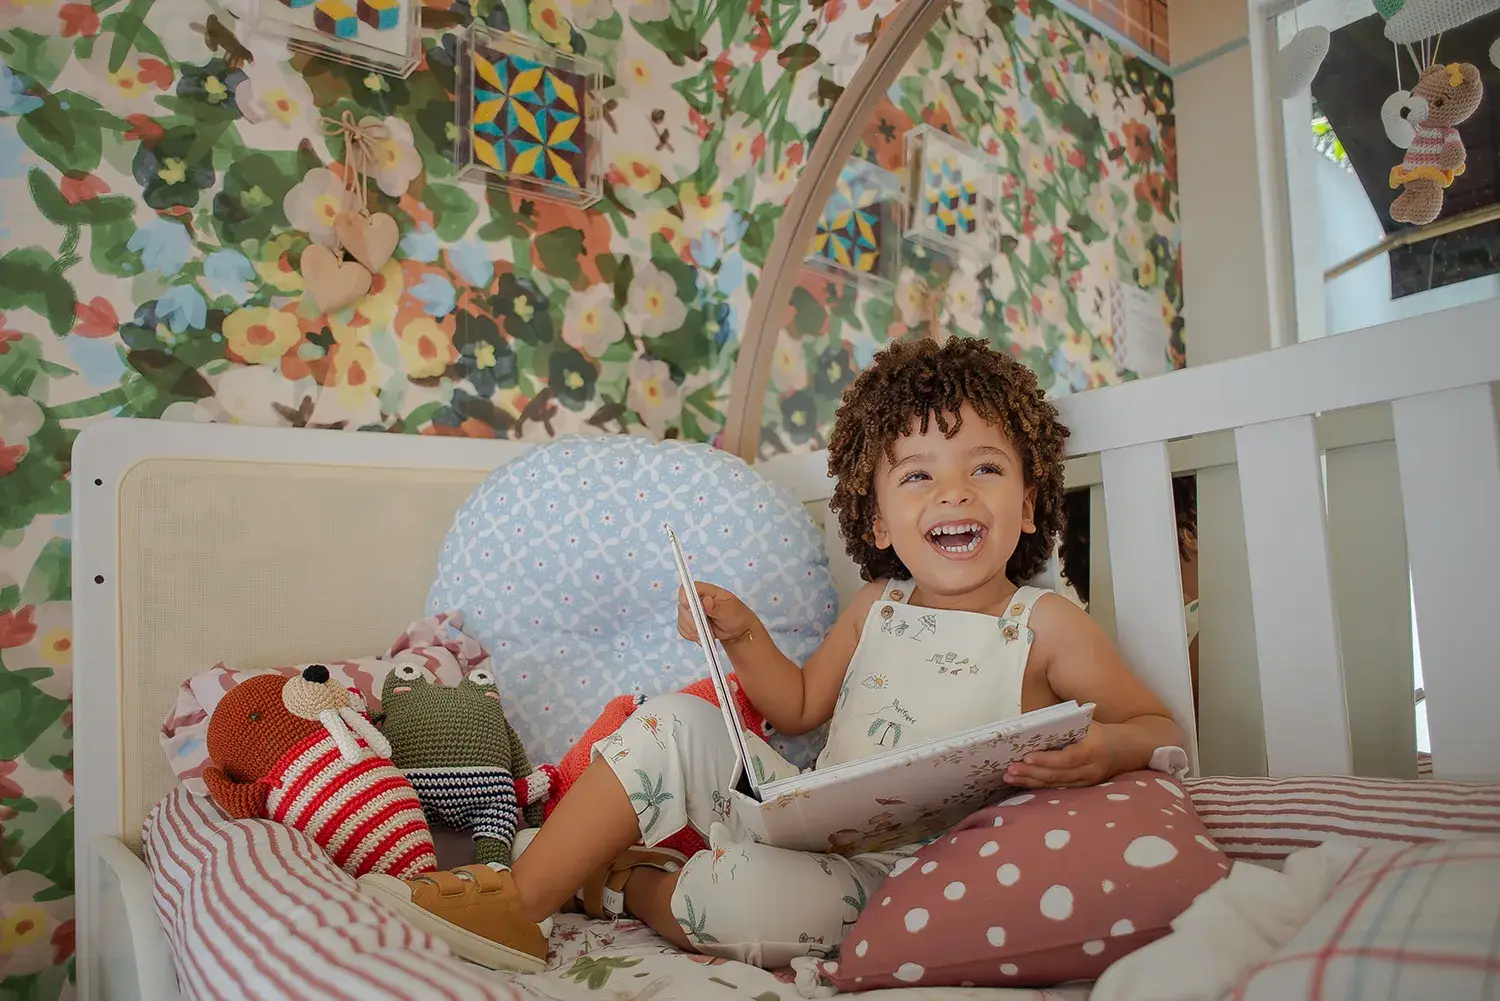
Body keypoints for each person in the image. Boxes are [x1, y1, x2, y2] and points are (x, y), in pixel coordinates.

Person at [362, 337, 1187, 973]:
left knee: (736, 902)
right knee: (673, 718)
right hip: (799, 810)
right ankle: (520, 900)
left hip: (908, 872)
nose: (954, 492)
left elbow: (1155, 723)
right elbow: (795, 708)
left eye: (986, 467)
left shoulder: (1041, 623)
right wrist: (744, 634)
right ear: (876, 522)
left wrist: (1104, 750)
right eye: (918, 476)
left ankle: (619, 882)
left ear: (1030, 499)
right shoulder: (878, 606)